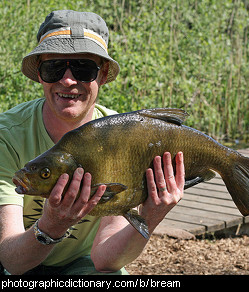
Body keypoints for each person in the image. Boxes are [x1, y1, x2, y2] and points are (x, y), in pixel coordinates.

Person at [0, 10, 185, 275]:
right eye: (53, 68)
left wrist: (151, 215)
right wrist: (51, 225)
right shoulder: (6, 136)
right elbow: (11, 261)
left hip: (82, 266)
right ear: (39, 74)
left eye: (83, 69)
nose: (67, 80)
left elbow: (105, 261)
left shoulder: (122, 136)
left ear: (103, 73)